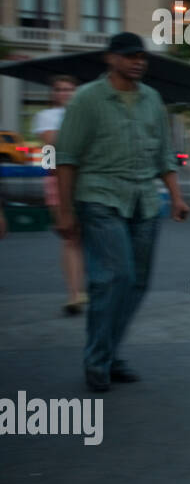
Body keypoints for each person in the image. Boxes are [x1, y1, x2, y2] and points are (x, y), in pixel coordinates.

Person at [54, 32, 190, 391]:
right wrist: (65, 212)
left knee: (137, 282)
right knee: (114, 276)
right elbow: (66, 159)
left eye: (141, 57)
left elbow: (164, 156)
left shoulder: (152, 100)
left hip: (144, 200)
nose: (138, 62)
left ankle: (109, 353)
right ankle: (97, 361)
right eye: (130, 56)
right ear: (110, 59)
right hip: (99, 197)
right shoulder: (87, 100)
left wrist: (176, 197)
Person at [34, 75, 87, 315]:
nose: (64, 93)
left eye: (69, 89)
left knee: (86, 236)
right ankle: (74, 293)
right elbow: (51, 145)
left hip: (84, 178)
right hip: (56, 178)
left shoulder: (84, 113)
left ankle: (84, 288)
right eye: (59, 89)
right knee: (68, 236)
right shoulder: (46, 116)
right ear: (53, 93)